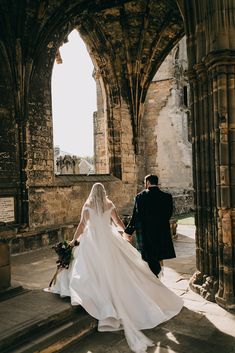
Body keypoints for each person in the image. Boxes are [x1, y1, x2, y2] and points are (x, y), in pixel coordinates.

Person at [47, 183, 183, 353]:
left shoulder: (87, 205)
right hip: (109, 240)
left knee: (87, 268)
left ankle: (95, 294)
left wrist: (73, 241)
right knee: (120, 267)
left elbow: (82, 225)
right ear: (103, 192)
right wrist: (126, 233)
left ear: (91, 193)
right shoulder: (109, 204)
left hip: (92, 241)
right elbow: (118, 222)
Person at [124, 174, 176, 277]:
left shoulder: (140, 197)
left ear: (147, 182)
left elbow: (136, 216)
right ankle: (160, 276)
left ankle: (153, 279)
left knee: (149, 258)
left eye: (144, 182)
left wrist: (128, 231)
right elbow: (168, 214)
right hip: (161, 232)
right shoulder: (167, 197)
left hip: (146, 233)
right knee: (159, 255)